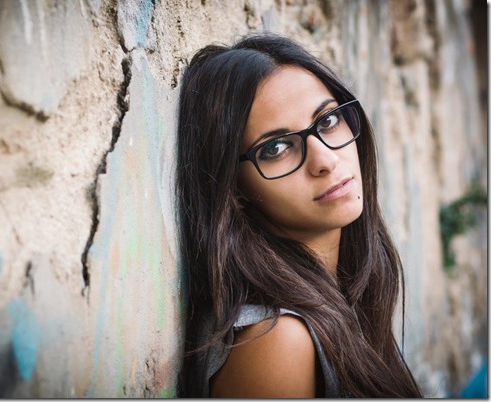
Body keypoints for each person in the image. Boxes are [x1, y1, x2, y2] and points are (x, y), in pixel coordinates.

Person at [175, 33, 422, 398]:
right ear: (235, 191)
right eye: (276, 147)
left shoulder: (341, 298)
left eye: (327, 121)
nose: (325, 160)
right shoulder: (277, 341)